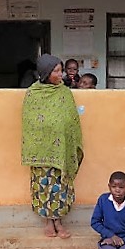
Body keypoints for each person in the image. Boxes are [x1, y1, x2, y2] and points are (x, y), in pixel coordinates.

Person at [21, 54, 83, 239]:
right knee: (43, 185)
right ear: (46, 73)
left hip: (61, 149)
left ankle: (59, 221)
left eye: (60, 70)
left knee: (61, 185)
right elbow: (29, 121)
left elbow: (71, 120)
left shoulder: (64, 93)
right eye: (56, 71)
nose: (60, 74)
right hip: (41, 151)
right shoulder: (33, 93)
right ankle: (48, 221)